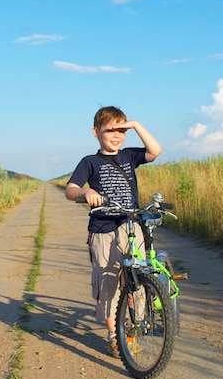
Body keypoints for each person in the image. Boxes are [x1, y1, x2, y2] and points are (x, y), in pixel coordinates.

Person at [64, 105, 162, 358]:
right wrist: (86, 192)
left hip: (131, 225)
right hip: (103, 228)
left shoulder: (129, 156)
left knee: (139, 276)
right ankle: (113, 334)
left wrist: (136, 125)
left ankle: (137, 324)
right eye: (110, 130)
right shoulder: (90, 162)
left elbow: (155, 151)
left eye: (122, 130)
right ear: (96, 132)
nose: (117, 135)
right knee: (108, 281)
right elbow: (70, 189)